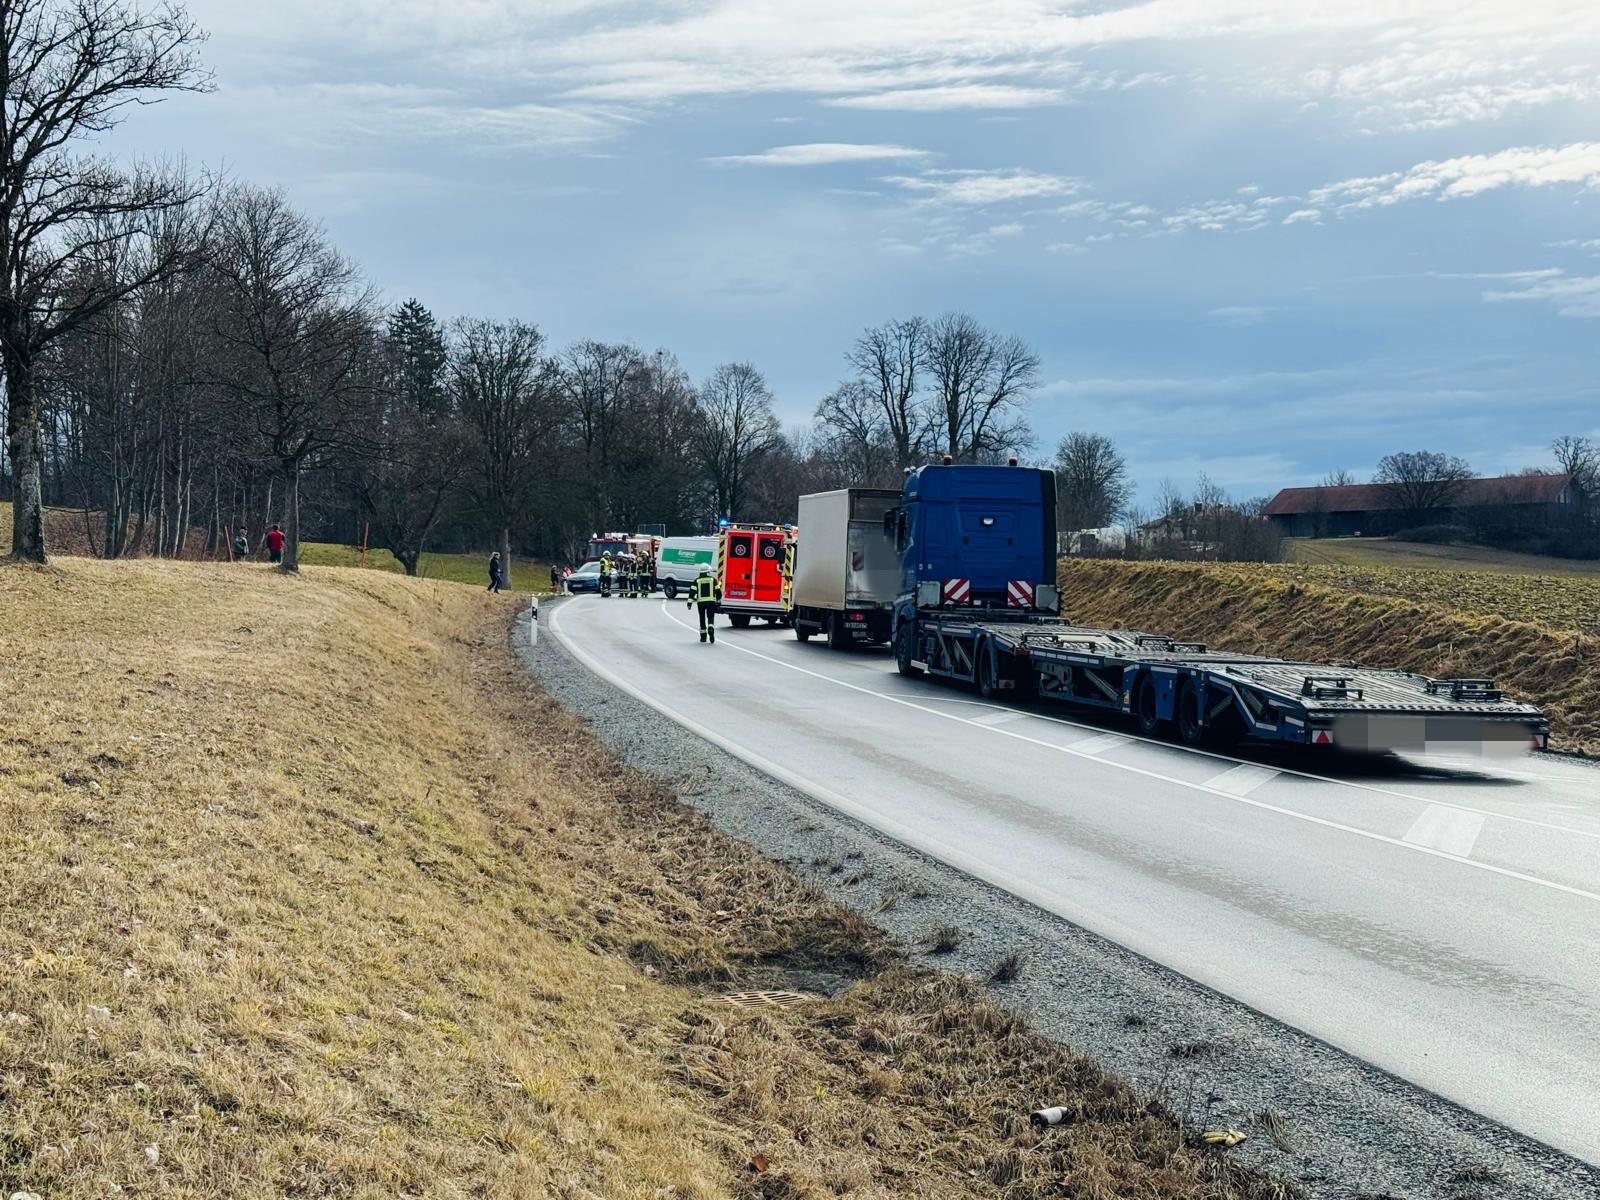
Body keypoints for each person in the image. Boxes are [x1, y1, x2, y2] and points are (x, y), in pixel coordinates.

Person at [687, 564, 721, 643]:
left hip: (701, 603)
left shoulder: (697, 581)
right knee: (710, 616)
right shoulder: (713, 580)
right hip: (711, 602)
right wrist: (718, 600)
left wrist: (689, 603)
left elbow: (692, 592)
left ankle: (703, 637)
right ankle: (710, 627)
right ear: (708, 572)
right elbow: (718, 592)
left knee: (702, 618)